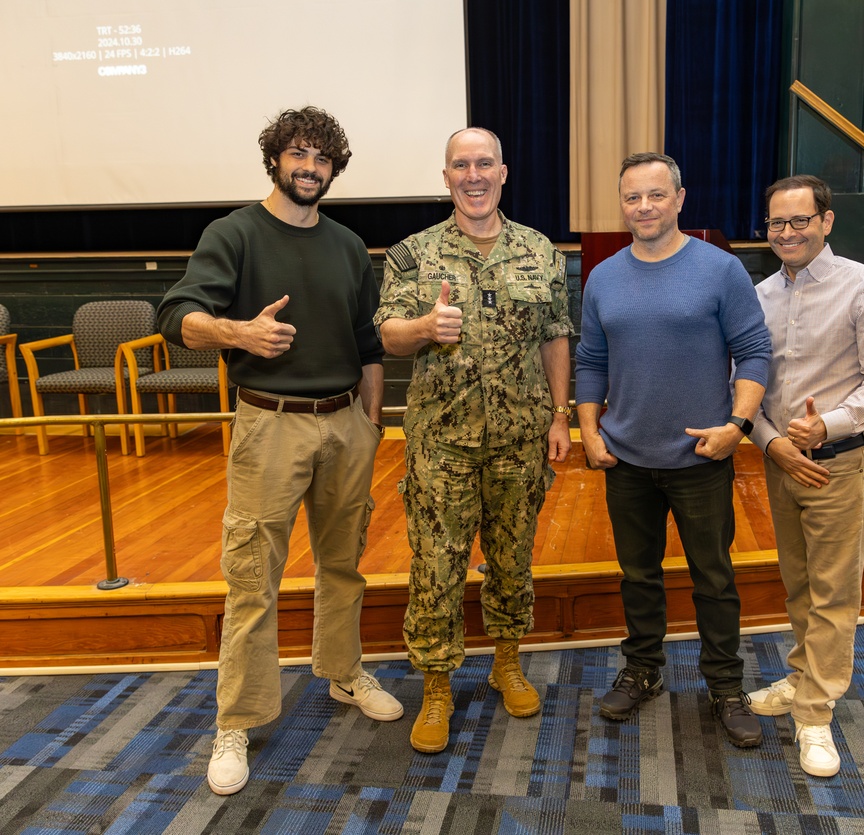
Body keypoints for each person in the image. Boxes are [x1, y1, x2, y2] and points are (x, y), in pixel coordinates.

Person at [157, 106, 403, 796]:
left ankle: (344, 672)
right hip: (269, 425)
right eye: (298, 154)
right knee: (252, 578)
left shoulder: (350, 246)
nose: (310, 168)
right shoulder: (233, 233)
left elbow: (368, 342)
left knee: (343, 562)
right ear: (274, 159)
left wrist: (370, 421)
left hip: (345, 422)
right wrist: (238, 333)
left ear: (334, 169)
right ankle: (237, 718)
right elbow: (177, 318)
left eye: (322, 158)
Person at [374, 127, 572, 754]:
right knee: (437, 564)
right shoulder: (413, 254)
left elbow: (556, 334)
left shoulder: (539, 250)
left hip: (519, 438)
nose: (474, 175)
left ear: (503, 172)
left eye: (484, 163)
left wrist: (560, 416)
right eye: (461, 165)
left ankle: (506, 661)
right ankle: (436, 686)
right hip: (442, 443)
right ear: (447, 178)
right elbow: (387, 336)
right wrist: (426, 327)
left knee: (513, 558)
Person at [575, 152, 771, 747]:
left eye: (656, 195)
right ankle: (643, 671)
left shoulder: (719, 270)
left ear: (680, 199)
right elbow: (590, 361)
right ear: (622, 204)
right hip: (627, 460)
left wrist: (736, 425)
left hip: (701, 459)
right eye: (633, 197)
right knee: (638, 576)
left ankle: (726, 685)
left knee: (713, 578)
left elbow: (756, 350)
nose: (644, 207)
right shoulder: (604, 277)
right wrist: (588, 431)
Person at [746, 175, 864, 777]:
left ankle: (814, 712)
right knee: (799, 585)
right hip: (783, 463)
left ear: (826, 221)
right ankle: (799, 677)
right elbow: (750, 386)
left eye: (799, 221)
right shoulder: (760, 296)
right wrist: (772, 443)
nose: (787, 233)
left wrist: (827, 426)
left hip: (838, 463)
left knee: (834, 592)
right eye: (776, 224)